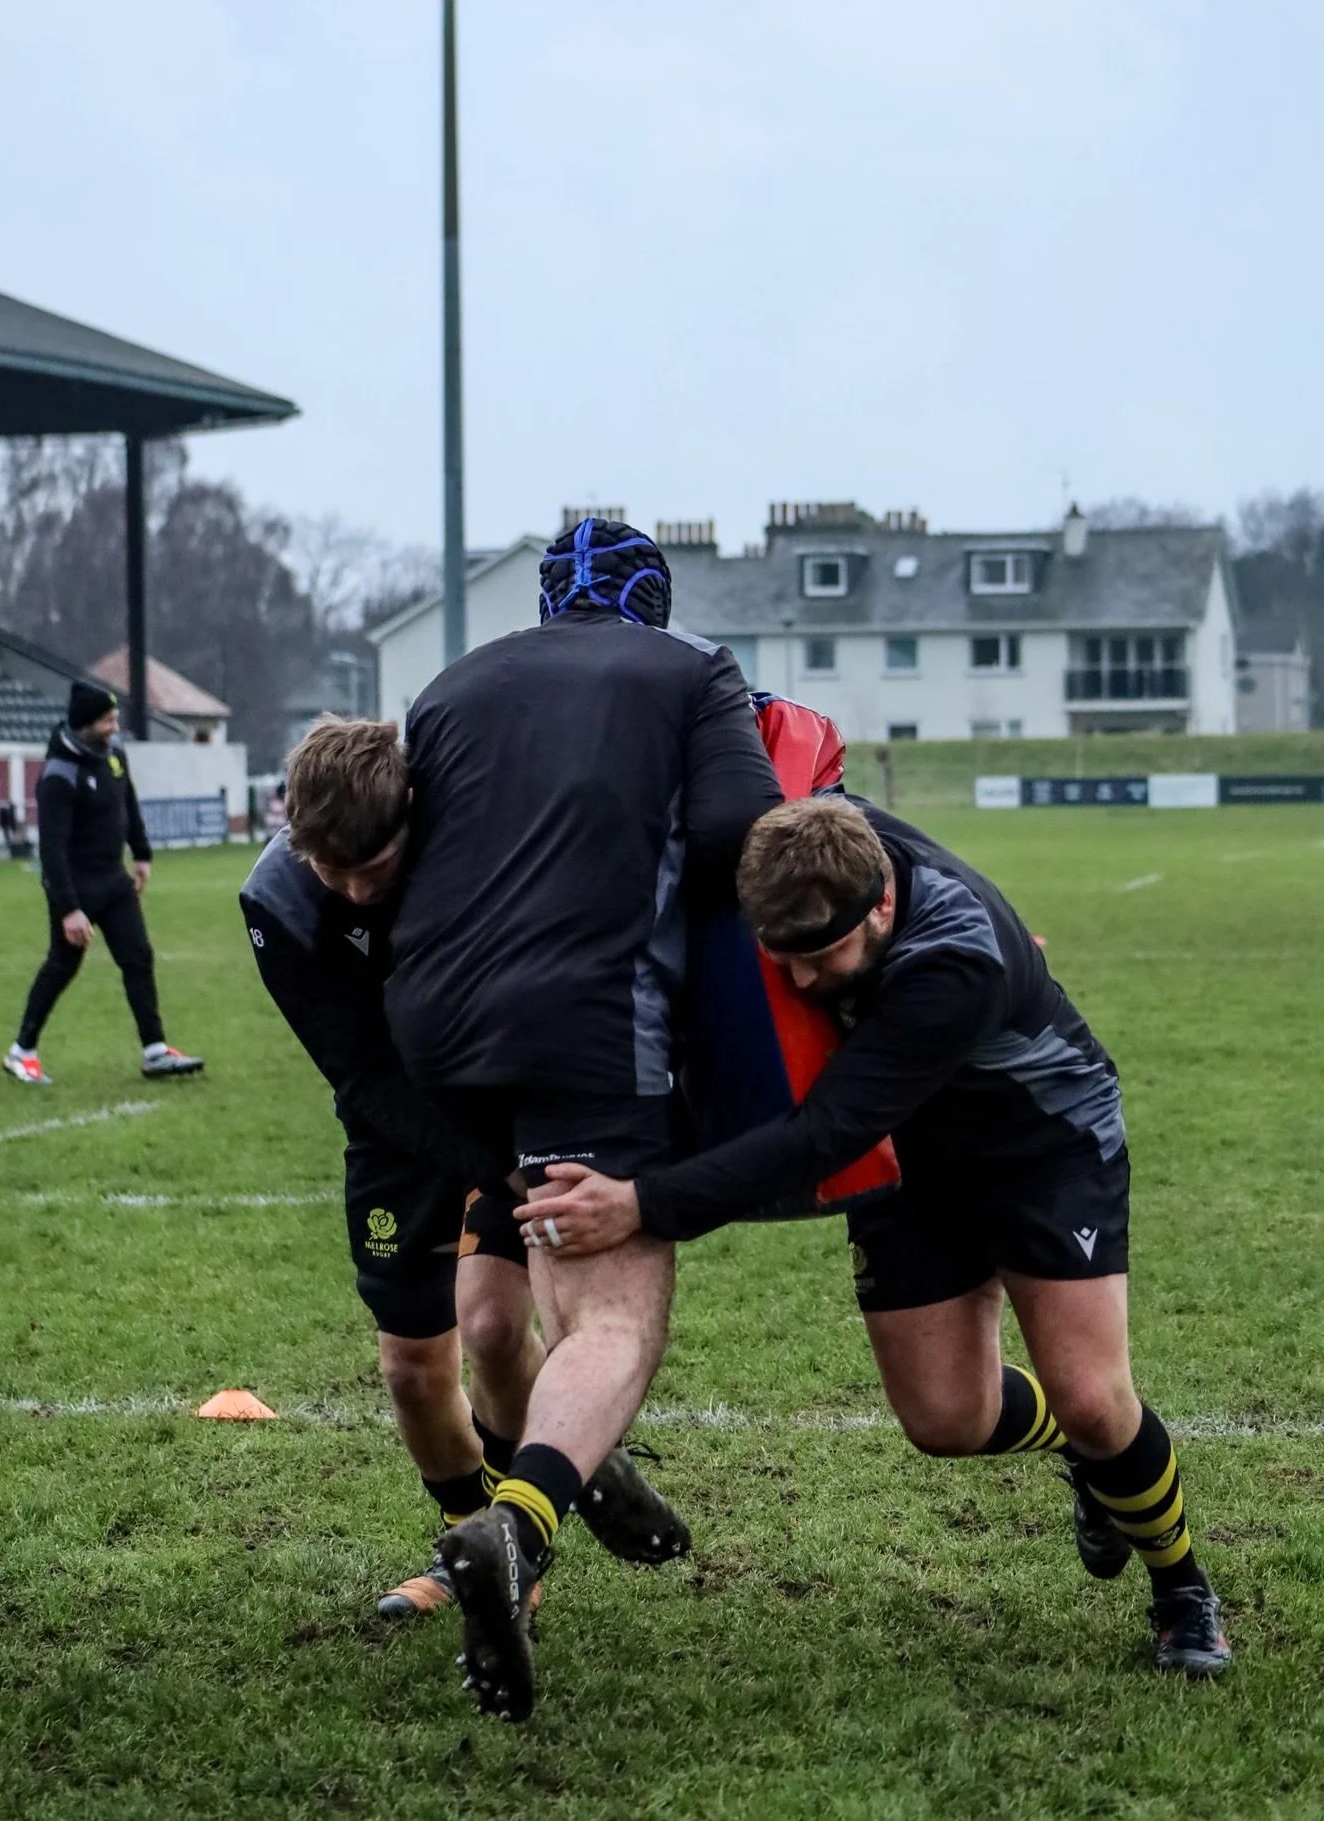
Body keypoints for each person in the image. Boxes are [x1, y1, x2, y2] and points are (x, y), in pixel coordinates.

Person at [526, 794, 1232, 1679]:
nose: (803, 980)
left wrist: (642, 1203)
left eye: (822, 954)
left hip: (1040, 1143)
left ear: (883, 903)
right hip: (909, 1160)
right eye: (781, 954)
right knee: (945, 1419)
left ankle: (1181, 1585)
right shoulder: (816, 845)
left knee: (1093, 1398)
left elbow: (822, 1135)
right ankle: (1090, 1458)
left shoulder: (954, 961)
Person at [384, 518, 783, 1720]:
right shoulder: (691, 666)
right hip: (588, 1017)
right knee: (610, 1313)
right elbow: (743, 830)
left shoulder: (449, 683)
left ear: (547, 598)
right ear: (652, 601)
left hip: (432, 1029)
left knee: (499, 1302)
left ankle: (564, 1469)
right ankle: (518, 1524)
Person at [241, 715, 690, 1620]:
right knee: (411, 1365)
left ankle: (514, 1546)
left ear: (412, 807)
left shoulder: (477, 838)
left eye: (376, 863)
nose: (357, 888)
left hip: (502, 1096)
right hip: (397, 1123)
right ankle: (485, 1525)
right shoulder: (279, 905)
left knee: (490, 1326)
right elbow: (361, 1073)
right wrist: (492, 1165)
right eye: (333, 869)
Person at [3, 681, 202, 1085]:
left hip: (114, 880)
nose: (115, 726)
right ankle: (21, 1051)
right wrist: (69, 909)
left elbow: (128, 800)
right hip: (75, 887)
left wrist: (141, 853)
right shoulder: (59, 775)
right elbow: (51, 851)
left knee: (138, 957)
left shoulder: (114, 753)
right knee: (63, 965)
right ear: (85, 724)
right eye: (108, 720)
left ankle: (155, 1050)